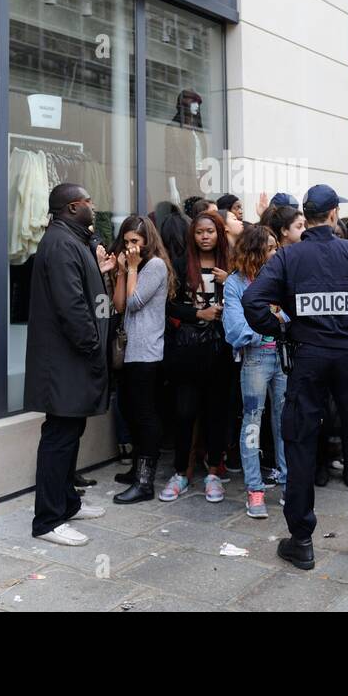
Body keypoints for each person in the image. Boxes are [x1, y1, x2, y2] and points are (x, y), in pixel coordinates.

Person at [243, 185, 348, 571]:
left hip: (307, 358)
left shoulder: (288, 256)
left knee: (301, 442)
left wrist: (280, 328)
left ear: (307, 215)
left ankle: (302, 540)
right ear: (335, 214)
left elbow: (251, 302)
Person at [24, 183, 112, 546]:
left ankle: (68, 502)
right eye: (88, 202)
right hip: (66, 360)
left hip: (73, 359)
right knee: (59, 438)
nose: (93, 206)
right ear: (73, 207)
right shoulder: (60, 244)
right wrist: (93, 345)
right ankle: (48, 520)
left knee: (70, 434)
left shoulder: (72, 239)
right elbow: (71, 305)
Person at [159, 210, 232, 503]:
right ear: (193, 235)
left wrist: (232, 284)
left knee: (217, 412)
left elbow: (250, 298)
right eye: (200, 232)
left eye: (210, 232)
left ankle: (213, 472)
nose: (205, 237)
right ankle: (180, 473)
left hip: (222, 350)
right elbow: (170, 306)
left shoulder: (230, 266)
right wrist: (198, 313)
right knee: (184, 412)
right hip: (187, 351)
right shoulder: (180, 265)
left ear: (219, 234)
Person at [222, 224, 288, 519]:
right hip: (255, 359)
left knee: (285, 422)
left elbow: (294, 314)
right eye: (271, 247)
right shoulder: (235, 284)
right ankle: (254, 489)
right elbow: (236, 329)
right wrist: (275, 320)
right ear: (256, 250)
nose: (276, 252)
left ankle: (288, 484)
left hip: (285, 357)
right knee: (252, 422)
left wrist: (268, 320)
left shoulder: (283, 279)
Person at [109, 215, 174, 505]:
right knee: (129, 408)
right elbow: (120, 304)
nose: (130, 246)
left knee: (145, 414)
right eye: (126, 242)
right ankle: (137, 468)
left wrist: (132, 268)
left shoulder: (156, 266)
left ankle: (145, 481)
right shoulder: (135, 266)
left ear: (147, 241)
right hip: (130, 350)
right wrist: (123, 272)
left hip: (147, 351)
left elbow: (135, 303)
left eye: (135, 241)